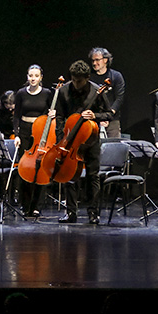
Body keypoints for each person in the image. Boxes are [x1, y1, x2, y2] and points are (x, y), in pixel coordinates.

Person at [53, 60, 112, 224]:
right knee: (69, 176)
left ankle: (93, 213)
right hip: (71, 140)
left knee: (93, 176)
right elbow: (59, 117)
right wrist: (61, 138)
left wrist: (95, 116)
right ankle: (71, 213)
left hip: (91, 139)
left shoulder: (97, 91)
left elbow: (109, 114)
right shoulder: (64, 91)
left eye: (79, 81)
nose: (76, 84)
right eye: (73, 80)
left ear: (87, 78)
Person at [12, 65, 56, 217]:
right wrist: (16, 134)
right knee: (25, 170)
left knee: (40, 170)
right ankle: (25, 205)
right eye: (31, 75)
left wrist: (53, 114)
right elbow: (16, 116)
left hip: (42, 134)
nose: (33, 78)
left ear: (40, 77)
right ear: (27, 76)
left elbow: (52, 112)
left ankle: (37, 206)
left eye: (36, 76)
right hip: (24, 133)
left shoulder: (47, 93)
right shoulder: (21, 93)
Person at [89, 47, 125, 139]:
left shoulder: (116, 76)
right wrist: (98, 116)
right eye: (93, 60)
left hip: (112, 119)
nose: (94, 63)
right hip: (94, 118)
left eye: (97, 60)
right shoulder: (89, 77)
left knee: (113, 148)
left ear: (105, 60)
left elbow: (119, 98)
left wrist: (107, 116)